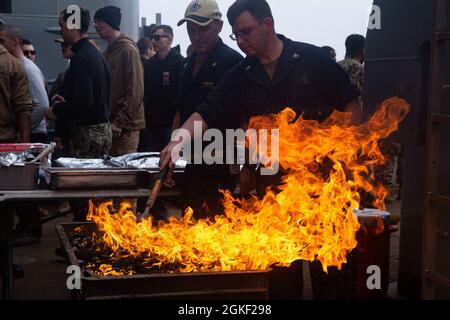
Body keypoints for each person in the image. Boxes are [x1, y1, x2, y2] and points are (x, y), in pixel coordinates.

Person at [160, 0, 362, 199]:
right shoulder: (241, 74)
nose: (240, 41)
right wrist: (176, 142)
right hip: (271, 181)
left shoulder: (312, 59)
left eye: (246, 32)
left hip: (322, 178)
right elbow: (207, 111)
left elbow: (350, 103)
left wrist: (347, 151)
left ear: (267, 24)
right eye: (236, 35)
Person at [163, 0, 243, 219]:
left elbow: (243, 117)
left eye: (204, 29)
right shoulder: (187, 64)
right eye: (191, 30)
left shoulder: (232, 62)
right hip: (193, 158)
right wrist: (173, 150)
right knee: (189, 218)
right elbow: (180, 111)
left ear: (219, 26)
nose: (197, 36)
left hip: (221, 160)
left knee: (218, 224)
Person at [0, 25, 50, 246]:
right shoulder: (13, 65)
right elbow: (24, 107)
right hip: (6, 139)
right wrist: (25, 142)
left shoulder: (20, 66)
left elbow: (34, 105)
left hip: (7, 141)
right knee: (9, 195)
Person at [94, 5, 145, 156]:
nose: (95, 26)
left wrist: (119, 121)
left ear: (111, 22)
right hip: (112, 124)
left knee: (123, 172)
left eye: (99, 21)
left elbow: (135, 91)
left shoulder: (128, 50)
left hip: (126, 127)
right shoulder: (108, 51)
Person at [139, 25, 185, 153]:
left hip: (171, 124)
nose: (153, 41)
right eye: (152, 37)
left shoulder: (180, 63)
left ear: (170, 39)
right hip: (151, 125)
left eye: (157, 37)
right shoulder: (148, 65)